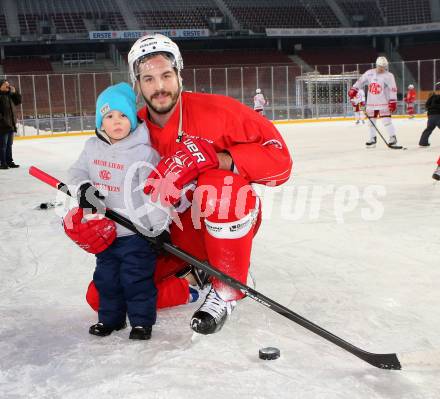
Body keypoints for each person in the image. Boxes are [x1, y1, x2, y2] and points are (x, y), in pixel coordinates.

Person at [83, 34, 292, 336]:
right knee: (102, 297)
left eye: (166, 75)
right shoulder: (128, 128)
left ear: (179, 73)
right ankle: (194, 283)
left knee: (218, 185)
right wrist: (89, 220)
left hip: (218, 218)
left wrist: (216, 159)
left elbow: (281, 163)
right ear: (137, 84)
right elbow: (105, 185)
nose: (159, 87)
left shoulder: (220, 111)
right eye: (149, 79)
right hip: (162, 236)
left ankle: (227, 286)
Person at [63, 82, 170, 340]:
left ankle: (141, 323)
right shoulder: (91, 147)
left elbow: (156, 195)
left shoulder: (144, 153)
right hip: (104, 233)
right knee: (107, 280)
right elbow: (76, 173)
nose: (117, 121)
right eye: (109, 116)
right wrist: (84, 188)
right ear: (101, 120)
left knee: (136, 280)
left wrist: (158, 229)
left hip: (137, 235)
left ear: (133, 119)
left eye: (123, 115)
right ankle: (111, 320)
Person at [348, 56, 399, 148]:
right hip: (371, 103)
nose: (382, 68)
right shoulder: (369, 73)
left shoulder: (389, 76)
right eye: (380, 66)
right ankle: (372, 139)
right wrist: (354, 89)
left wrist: (393, 101)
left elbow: (393, 89)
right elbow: (360, 82)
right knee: (371, 122)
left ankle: (393, 137)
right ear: (376, 65)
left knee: (386, 121)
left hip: (384, 102)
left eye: (384, 67)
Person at [0, 79, 22, 169]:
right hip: (2, 126)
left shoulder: (9, 96)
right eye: (5, 84)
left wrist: (15, 92)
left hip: (11, 125)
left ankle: (9, 162)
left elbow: (18, 101)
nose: (8, 86)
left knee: (9, 145)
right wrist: (3, 120)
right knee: (2, 146)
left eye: (8, 84)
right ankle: (3, 163)